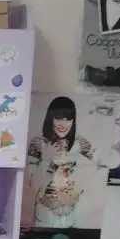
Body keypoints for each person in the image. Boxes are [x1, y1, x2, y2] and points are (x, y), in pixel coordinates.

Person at [21, 96, 100, 229]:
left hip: (72, 214)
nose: (63, 124)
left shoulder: (81, 144)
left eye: (68, 119)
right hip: (45, 215)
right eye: (58, 118)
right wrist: (46, 159)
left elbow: (96, 170)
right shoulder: (39, 143)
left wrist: (76, 166)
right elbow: (34, 184)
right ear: (50, 118)